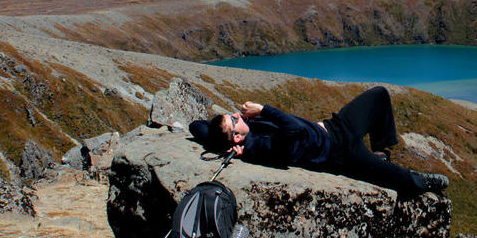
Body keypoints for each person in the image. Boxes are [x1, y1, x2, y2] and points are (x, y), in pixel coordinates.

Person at [189, 86, 448, 197]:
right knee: (398, 178)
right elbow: (294, 131)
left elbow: (197, 127)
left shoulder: (243, 133)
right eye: (234, 119)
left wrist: (215, 137)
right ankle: (423, 183)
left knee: (379, 95)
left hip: (335, 127)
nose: (237, 114)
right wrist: (263, 109)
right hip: (339, 152)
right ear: (236, 135)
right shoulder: (260, 145)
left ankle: (381, 150)